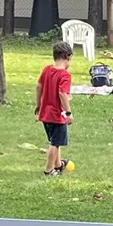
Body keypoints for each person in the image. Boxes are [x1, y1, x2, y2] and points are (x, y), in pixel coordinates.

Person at [37, 39, 74, 174]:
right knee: (55, 143)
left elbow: (39, 87)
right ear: (68, 56)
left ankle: (58, 164)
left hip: (45, 113)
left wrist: (38, 104)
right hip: (57, 115)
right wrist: (68, 113)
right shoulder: (65, 75)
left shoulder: (47, 70)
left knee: (55, 140)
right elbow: (62, 93)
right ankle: (49, 170)